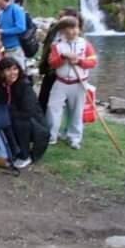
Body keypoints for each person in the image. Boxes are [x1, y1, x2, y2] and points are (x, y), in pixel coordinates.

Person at [45, 16, 97, 149]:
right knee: (52, 108)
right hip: (61, 82)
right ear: (62, 30)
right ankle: (51, 136)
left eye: (75, 28)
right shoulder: (57, 45)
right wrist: (63, 57)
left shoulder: (85, 44)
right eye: (69, 28)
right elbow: (52, 63)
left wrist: (79, 61)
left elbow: (93, 62)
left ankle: (74, 138)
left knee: (76, 111)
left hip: (79, 83)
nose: (73, 31)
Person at [0, 58, 43, 169]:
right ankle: (6, 148)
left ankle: (25, 155)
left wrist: (9, 114)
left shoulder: (24, 86)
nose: (13, 72)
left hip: (31, 120)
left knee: (19, 123)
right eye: (8, 70)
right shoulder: (1, 85)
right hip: (12, 115)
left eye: (15, 69)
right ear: (1, 73)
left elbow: (29, 112)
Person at [38, 8, 81, 112]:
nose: (59, 19)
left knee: (66, 104)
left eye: (62, 17)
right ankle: (41, 123)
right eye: (59, 16)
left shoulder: (76, 33)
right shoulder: (54, 28)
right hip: (50, 69)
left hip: (67, 73)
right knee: (43, 98)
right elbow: (46, 45)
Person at [0, 0, 27, 69]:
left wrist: (3, 31)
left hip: (15, 48)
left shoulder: (15, 9)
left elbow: (21, 28)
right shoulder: (2, 12)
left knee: (18, 71)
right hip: (6, 49)